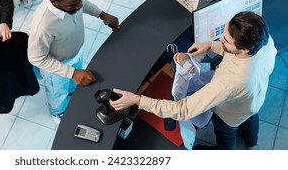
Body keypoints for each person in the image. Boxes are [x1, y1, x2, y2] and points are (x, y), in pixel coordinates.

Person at [110, 11, 277, 150]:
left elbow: (183, 110)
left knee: (226, 134)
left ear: (244, 48)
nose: (220, 40)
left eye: (225, 41)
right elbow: (239, 55)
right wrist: (211, 46)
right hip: (254, 99)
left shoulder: (230, 82)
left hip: (229, 115)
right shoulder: (264, 40)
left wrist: (138, 100)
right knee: (251, 118)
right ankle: (252, 144)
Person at [28, 0, 120, 123]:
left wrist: (102, 15)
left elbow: (83, 3)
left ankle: (71, 90)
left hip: (75, 53)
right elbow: (35, 57)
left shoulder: (71, 1)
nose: (79, 6)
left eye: (80, 0)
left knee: (71, 85)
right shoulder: (42, 26)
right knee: (57, 93)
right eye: (73, 5)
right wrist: (72, 73)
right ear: (55, 2)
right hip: (57, 67)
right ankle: (57, 112)